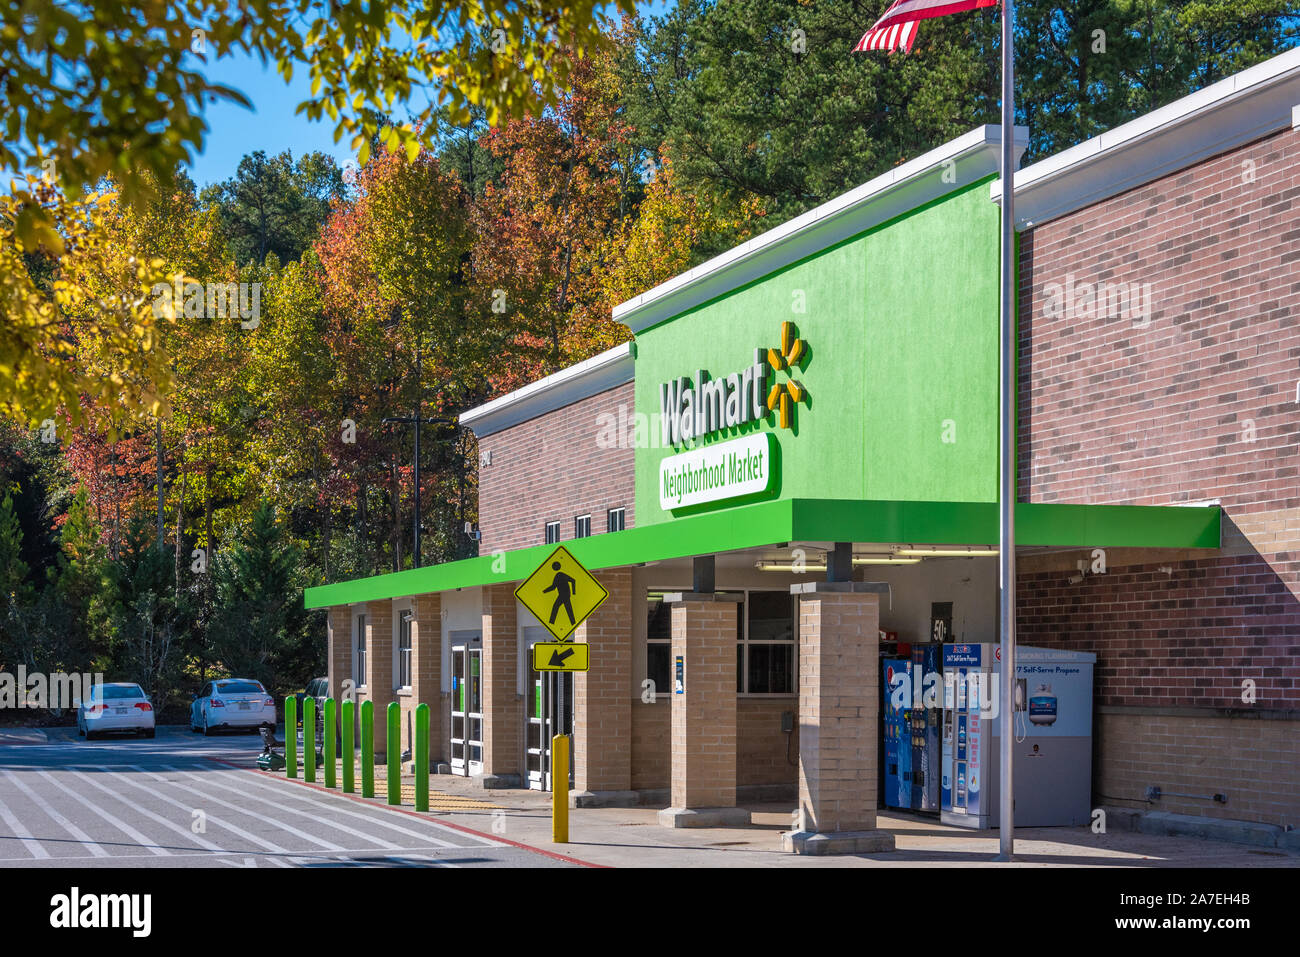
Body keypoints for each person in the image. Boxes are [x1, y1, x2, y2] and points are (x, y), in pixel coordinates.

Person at [542, 561, 577, 626]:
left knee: (556, 606)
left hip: (563, 595)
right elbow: (573, 580)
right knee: (568, 609)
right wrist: (573, 593)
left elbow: (553, 587)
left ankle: (551, 623)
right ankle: (573, 623)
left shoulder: (559, 575)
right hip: (566, 595)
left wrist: (543, 591)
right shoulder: (561, 574)